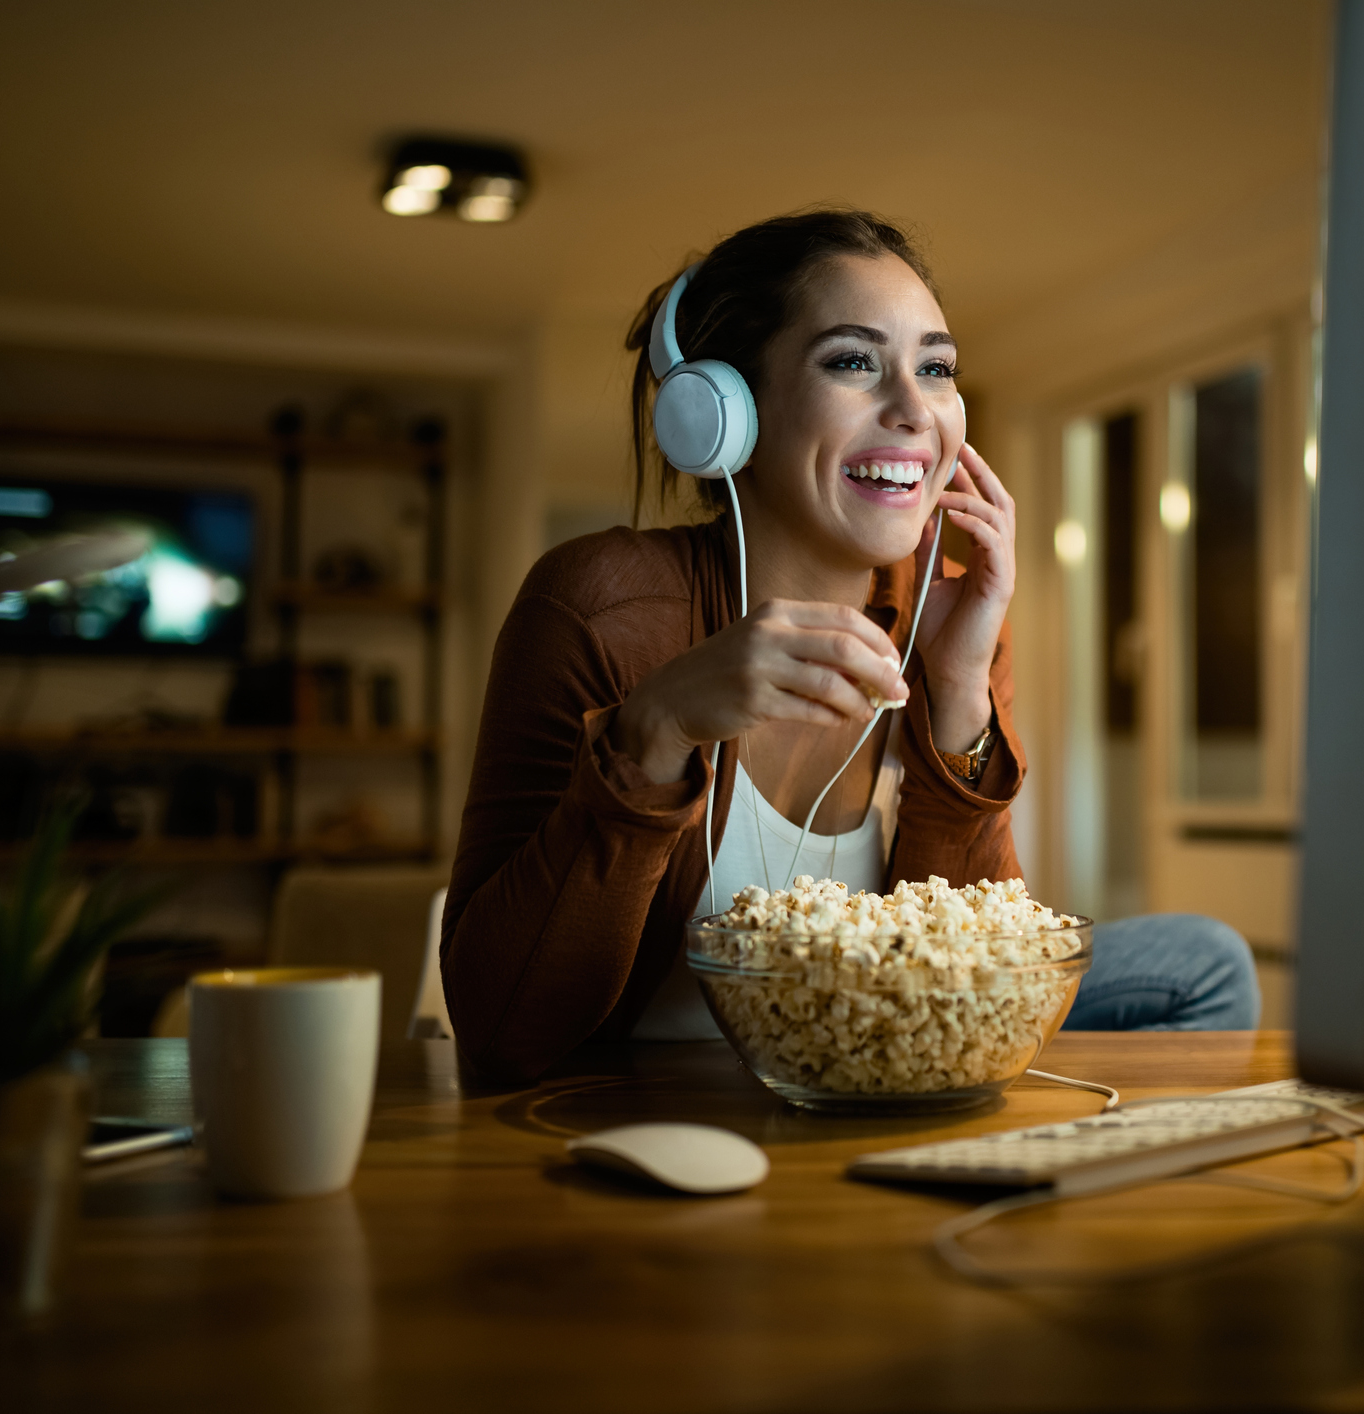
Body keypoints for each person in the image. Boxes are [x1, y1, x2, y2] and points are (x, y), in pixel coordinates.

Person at [442, 209, 1256, 1084]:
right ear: (725, 412)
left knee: (1202, 961)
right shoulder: (601, 607)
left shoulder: (945, 621)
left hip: (881, 1060)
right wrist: (657, 729)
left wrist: (958, 699)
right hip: (676, 1084)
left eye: (936, 368)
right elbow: (503, 1029)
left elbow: (968, 968)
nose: (914, 410)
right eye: (852, 362)